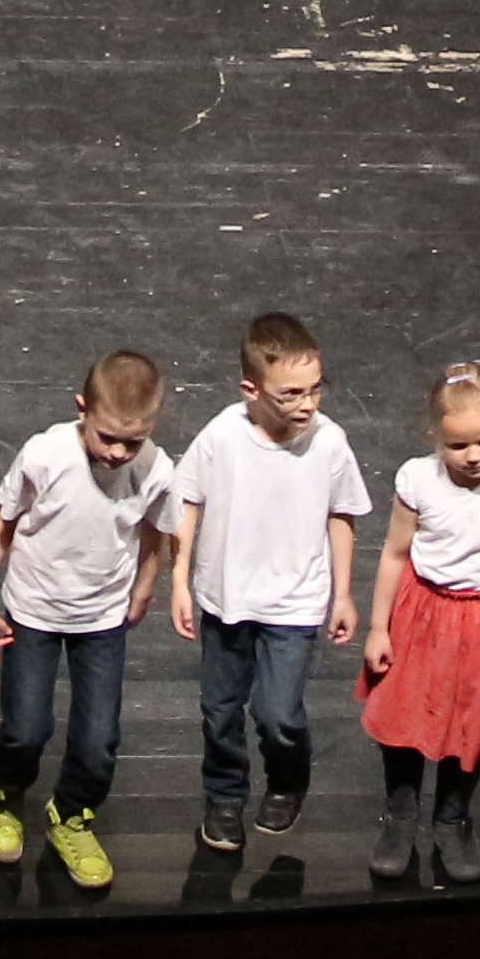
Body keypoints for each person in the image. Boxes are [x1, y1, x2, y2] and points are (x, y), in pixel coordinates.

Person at [157, 311, 364, 852]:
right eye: (291, 394)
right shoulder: (223, 435)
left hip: (295, 603)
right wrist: (179, 578)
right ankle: (224, 797)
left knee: (277, 714)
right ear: (251, 390)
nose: (308, 404)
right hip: (225, 598)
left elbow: (341, 514)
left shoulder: (329, 441)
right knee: (220, 710)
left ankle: (288, 779)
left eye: (315, 389)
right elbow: (187, 500)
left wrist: (343, 593)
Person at [0, 351, 173, 892]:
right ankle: (4, 794)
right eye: (107, 438)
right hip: (33, 610)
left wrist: (145, 585)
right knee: (25, 728)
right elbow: (5, 518)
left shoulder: (156, 469)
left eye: (133, 442)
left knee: (99, 739)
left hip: (102, 617)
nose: (118, 453)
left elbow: (154, 530)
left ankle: (72, 815)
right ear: (82, 409)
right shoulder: (45, 454)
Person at [353, 362, 480, 889]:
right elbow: (394, 553)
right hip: (423, 614)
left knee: (472, 720)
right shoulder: (418, 480)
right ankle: (400, 816)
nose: (473, 456)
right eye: (457, 446)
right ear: (435, 438)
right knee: (405, 715)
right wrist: (379, 627)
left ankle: (453, 818)